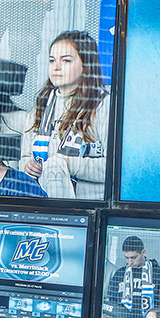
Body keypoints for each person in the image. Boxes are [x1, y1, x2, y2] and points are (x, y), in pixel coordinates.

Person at [21, 31, 110, 200]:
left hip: (89, 210)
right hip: (43, 205)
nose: (56, 67)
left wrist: (69, 164)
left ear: (86, 65)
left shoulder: (102, 105)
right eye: (52, 60)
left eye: (66, 61)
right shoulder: (41, 106)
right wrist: (27, 165)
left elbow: (115, 169)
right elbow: (25, 156)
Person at [105, 235, 160, 318]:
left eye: (133, 257)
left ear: (143, 252)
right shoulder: (120, 274)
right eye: (126, 258)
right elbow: (111, 304)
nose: (130, 261)